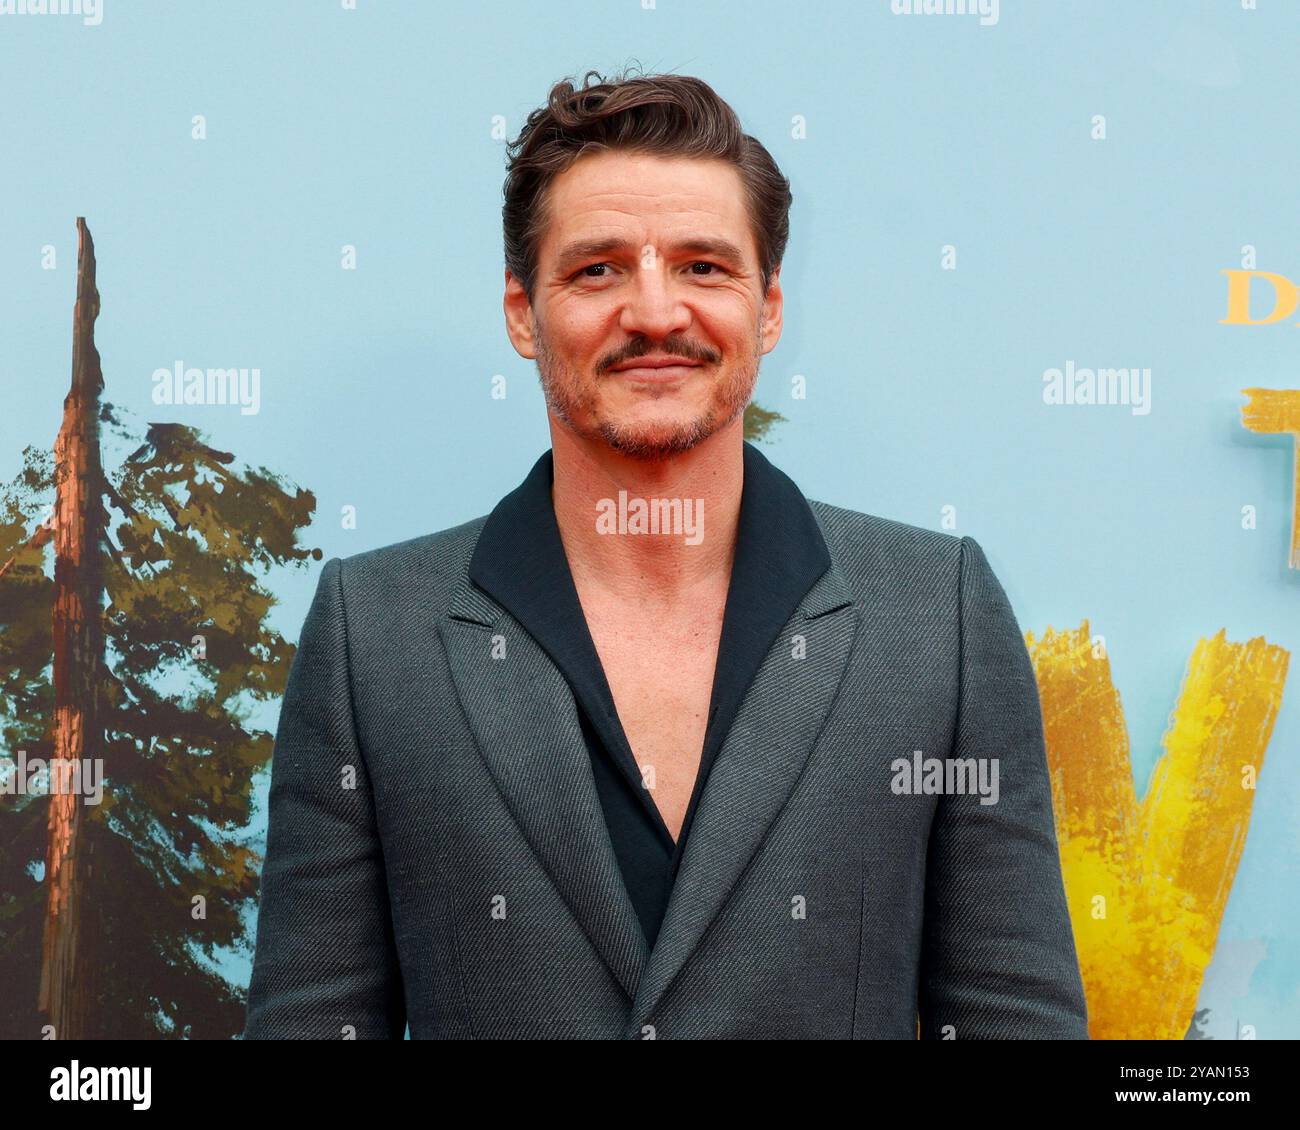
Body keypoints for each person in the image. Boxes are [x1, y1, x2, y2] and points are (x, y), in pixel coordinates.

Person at [244, 68, 1088, 1040]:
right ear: (522, 311)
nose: (654, 313)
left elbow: (1015, 1020)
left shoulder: (938, 615)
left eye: (702, 266)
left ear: (768, 309)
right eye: (598, 268)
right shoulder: (371, 633)